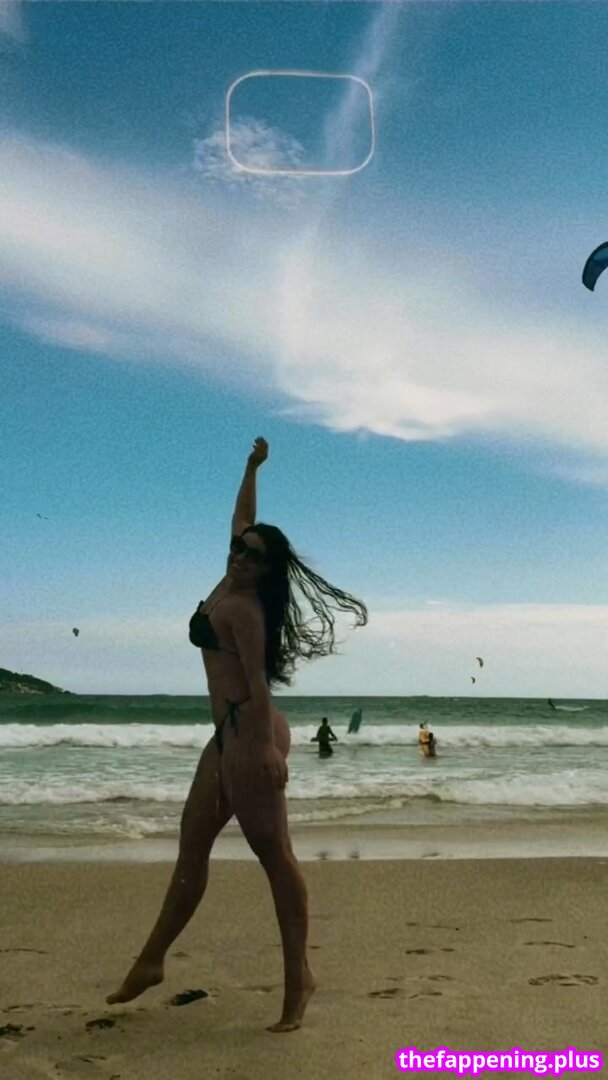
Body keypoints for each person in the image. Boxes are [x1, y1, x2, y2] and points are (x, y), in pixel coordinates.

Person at [107, 436, 368, 1033]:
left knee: (275, 857)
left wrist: (265, 750)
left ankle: (299, 980)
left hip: (251, 735)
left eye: (250, 555)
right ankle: (151, 961)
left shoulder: (247, 610)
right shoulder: (228, 579)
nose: (238, 555)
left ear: (266, 569)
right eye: (237, 549)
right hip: (226, 736)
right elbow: (243, 518)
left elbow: (256, 685)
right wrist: (252, 468)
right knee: (191, 848)